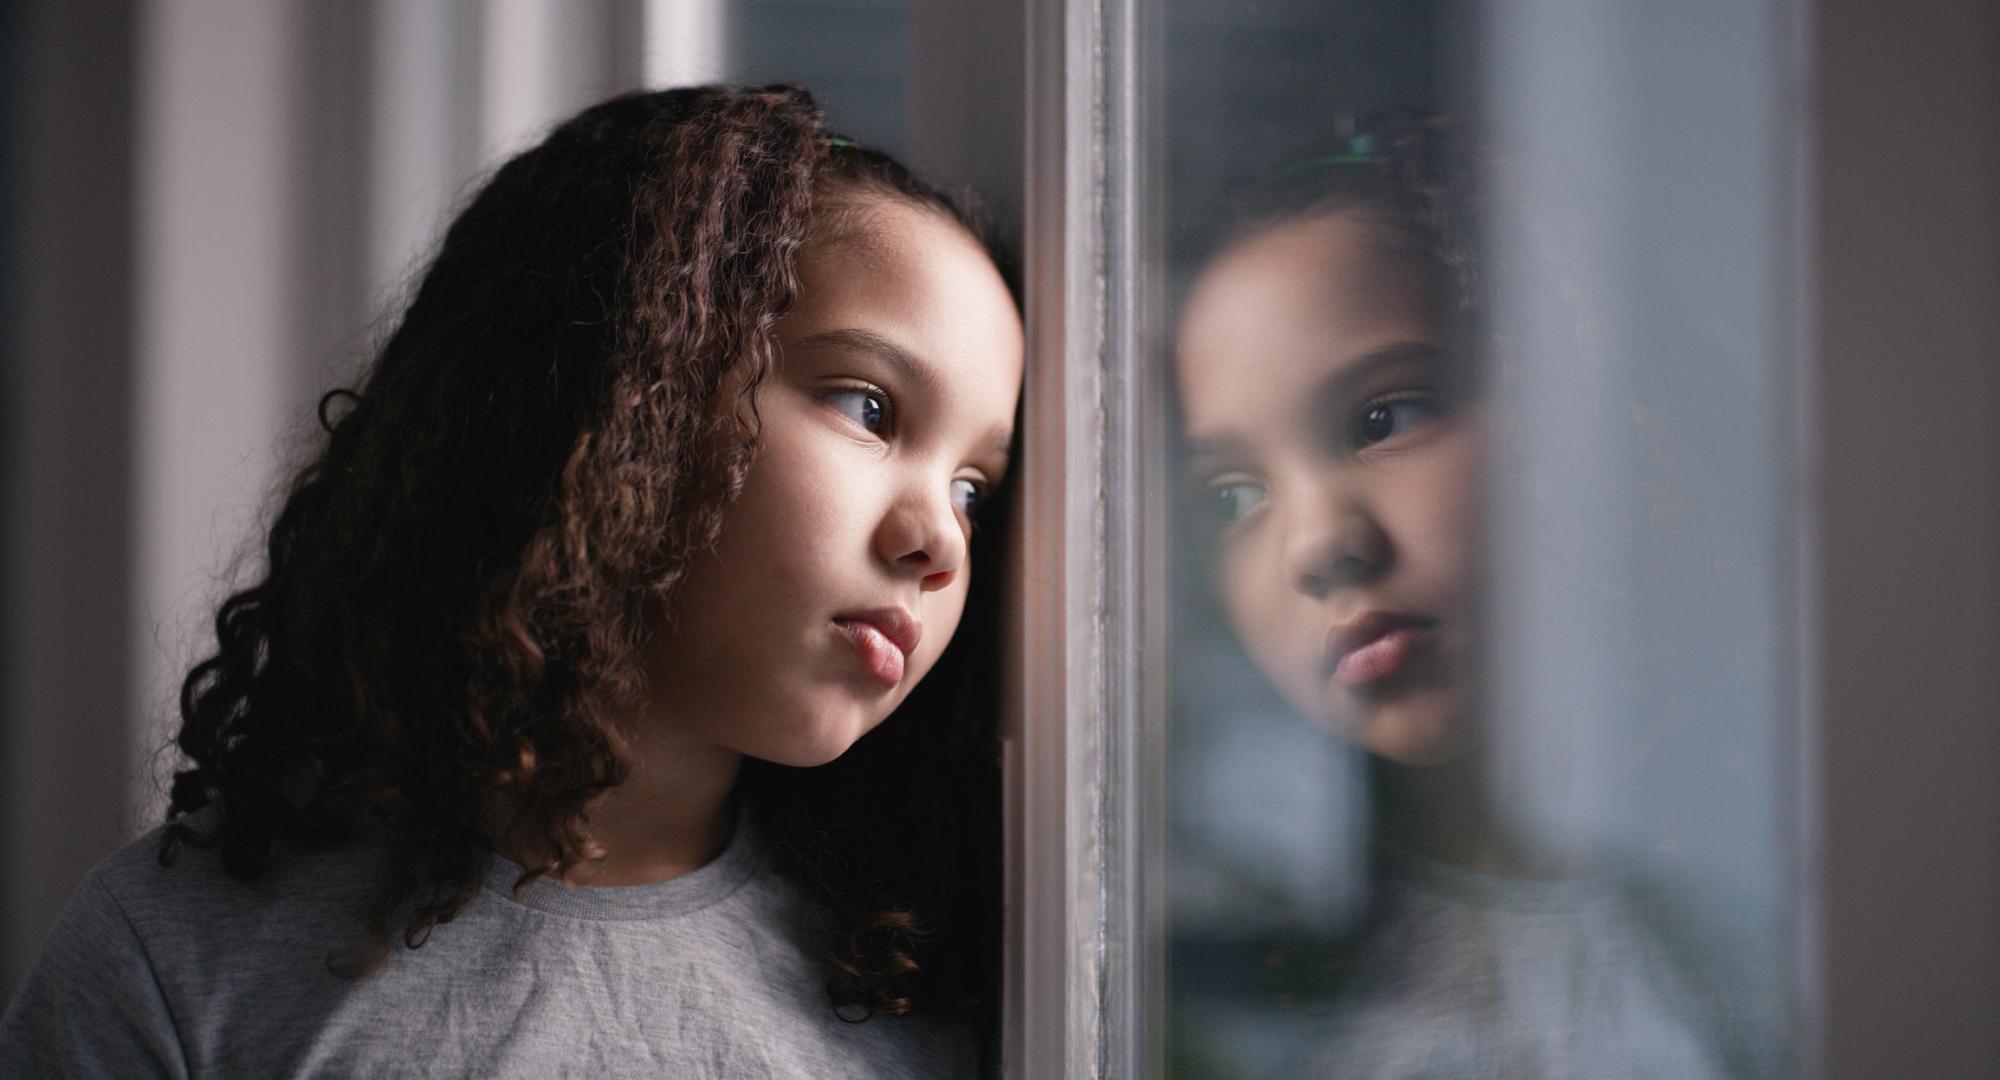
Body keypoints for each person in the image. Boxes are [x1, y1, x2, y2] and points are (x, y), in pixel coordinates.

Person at [0, 84, 1022, 1078]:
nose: (940, 537)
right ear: (623, 395)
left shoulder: (924, 1000)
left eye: (976, 489)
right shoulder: (174, 961)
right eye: (869, 408)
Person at [1172, 115, 1775, 1077]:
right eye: (1237, 496)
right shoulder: (1217, 979)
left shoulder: (1777, 925)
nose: (1320, 545)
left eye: (1388, 416)